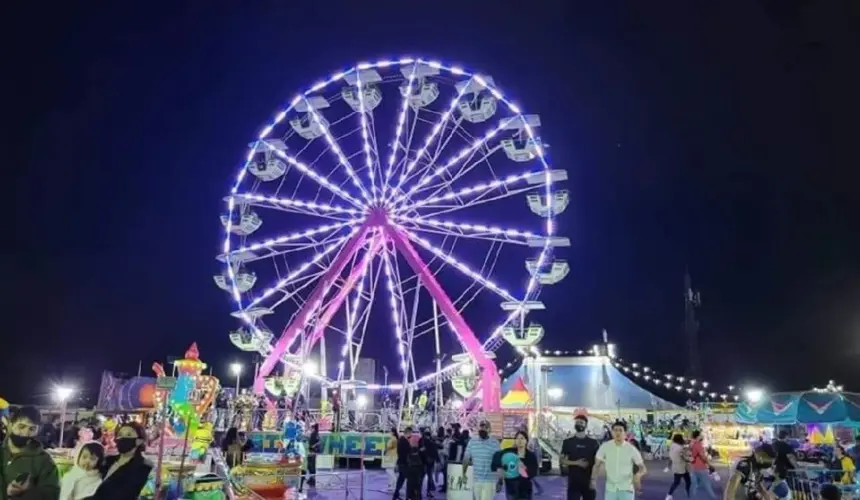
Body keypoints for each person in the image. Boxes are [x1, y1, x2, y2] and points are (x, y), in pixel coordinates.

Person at [0, 406, 61, 500]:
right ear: (11, 425)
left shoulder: (44, 460)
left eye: (32, 429)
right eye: (21, 427)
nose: (25, 433)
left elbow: (52, 493)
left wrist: (27, 493)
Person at [89, 421, 153, 500]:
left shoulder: (143, 467)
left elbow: (124, 494)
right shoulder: (108, 460)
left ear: (139, 441)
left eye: (129, 435)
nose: (122, 438)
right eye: (120, 435)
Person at [593, 421, 647, 500]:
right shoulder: (605, 447)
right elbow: (596, 465)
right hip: (610, 489)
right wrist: (593, 480)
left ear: (625, 433)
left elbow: (643, 468)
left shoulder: (631, 449)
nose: (617, 432)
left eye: (620, 430)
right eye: (615, 430)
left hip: (626, 489)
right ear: (612, 432)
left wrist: (638, 475)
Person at [561, 414, 599, 500]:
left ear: (586, 425)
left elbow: (598, 463)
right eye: (577, 422)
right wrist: (577, 463)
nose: (579, 424)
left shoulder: (593, 443)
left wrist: (594, 480)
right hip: (573, 482)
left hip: (589, 482)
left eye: (581, 422)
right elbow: (562, 460)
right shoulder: (567, 442)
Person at [493, 430, 539, 500]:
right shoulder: (508, 452)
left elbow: (534, 472)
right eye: (517, 438)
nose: (519, 440)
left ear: (526, 441)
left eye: (522, 438)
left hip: (525, 491)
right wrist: (500, 478)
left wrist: (523, 470)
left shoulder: (530, 456)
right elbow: (497, 456)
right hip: (511, 490)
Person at [462, 420, 501, 500]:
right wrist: (463, 473)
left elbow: (499, 462)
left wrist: (500, 481)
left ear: (489, 429)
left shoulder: (495, 443)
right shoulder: (472, 442)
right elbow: (466, 458)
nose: (483, 429)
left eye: (485, 427)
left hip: (489, 481)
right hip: (476, 480)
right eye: (481, 427)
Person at [689, 430, 717, 499]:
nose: (702, 436)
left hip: (693, 467)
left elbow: (692, 455)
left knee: (694, 485)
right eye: (701, 435)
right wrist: (709, 465)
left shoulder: (692, 444)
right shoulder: (698, 444)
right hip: (701, 468)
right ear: (698, 436)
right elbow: (703, 457)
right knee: (707, 485)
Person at [667, 434, 691, 500]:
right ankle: (688, 492)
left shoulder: (672, 445)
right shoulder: (680, 448)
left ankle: (669, 495)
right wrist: (690, 460)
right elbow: (683, 457)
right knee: (687, 481)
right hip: (682, 466)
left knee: (677, 482)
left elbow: (671, 456)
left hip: (675, 466)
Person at [393, 426, 414, 500]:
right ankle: (408, 496)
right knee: (409, 479)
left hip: (401, 462)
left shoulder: (401, 440)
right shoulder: (404, 441)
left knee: (401, 479)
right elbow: (406, 453)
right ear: (408, 433)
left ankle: (396, 494)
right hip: (405, 463)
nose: (411, 435)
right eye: (411, 433)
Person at [420, 428, 439, 498]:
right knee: (429, 478)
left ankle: (419, 492)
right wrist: (437, 460)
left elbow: (420, 452)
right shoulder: (432, 443)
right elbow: (435, 453)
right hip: (430, 463)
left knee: (421, 478)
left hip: (423, 463)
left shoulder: (422, 442)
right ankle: (428, 491)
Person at [307, 423, 321, 488]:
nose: (310, 429)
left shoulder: (315, 434)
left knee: (312, 465)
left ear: (313, 428)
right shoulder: (313, 434)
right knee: (310, 465)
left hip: (313, 451)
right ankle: (311, 478)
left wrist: (313, 446)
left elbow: (319, 442)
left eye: (311, 428)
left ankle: (313, 479)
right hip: (310, 451)